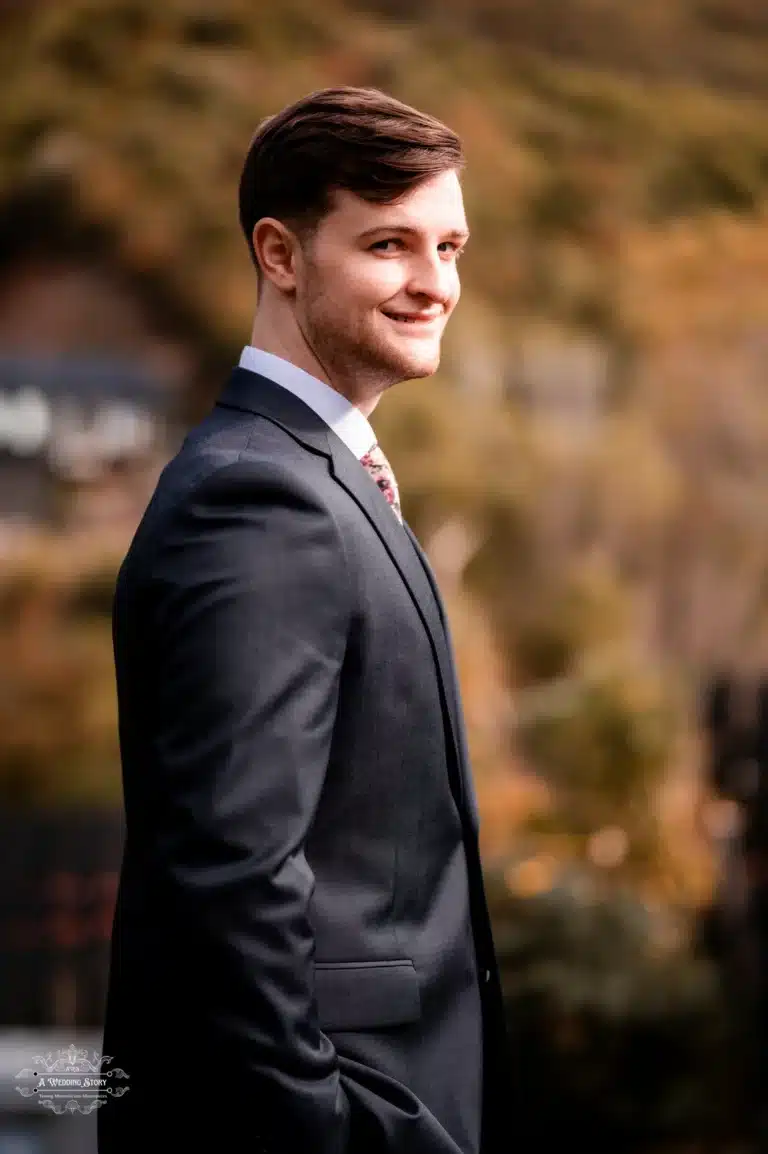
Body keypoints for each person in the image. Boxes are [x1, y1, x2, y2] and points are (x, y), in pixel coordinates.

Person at [98, 85, 510, 1154]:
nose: (436, 284)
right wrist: (327, 1127)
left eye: (451, 246)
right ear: (280, 255)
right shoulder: (260, 499)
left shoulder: (320, 478)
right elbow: (230, 879)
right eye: (390, 244)